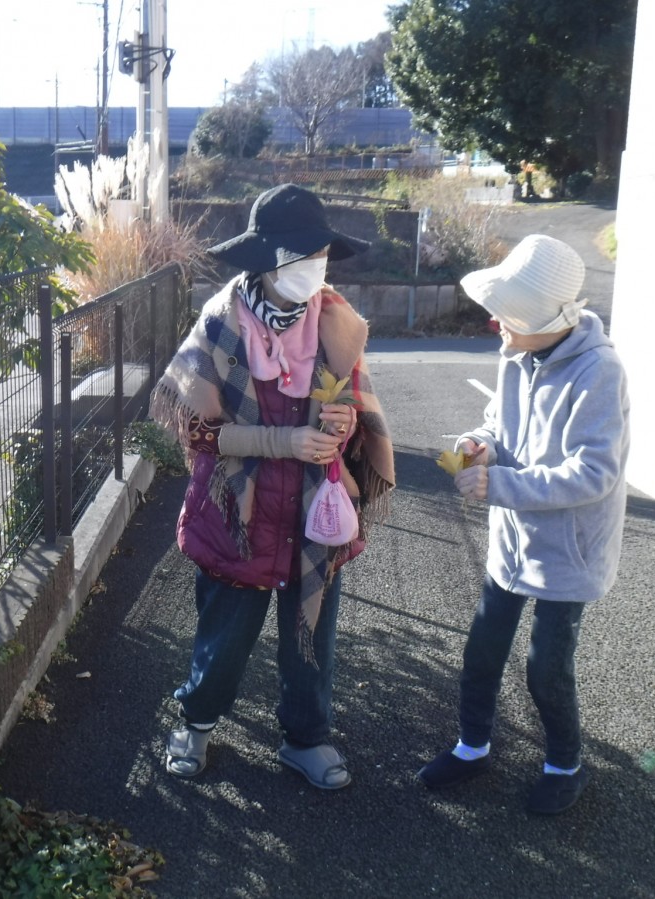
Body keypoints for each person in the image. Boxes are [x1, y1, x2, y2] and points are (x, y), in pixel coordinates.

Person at [150, 184, 395, 791]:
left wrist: (341, 426)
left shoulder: (337, 323)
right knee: (225, 633)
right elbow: (199, 434)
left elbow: (358, 415)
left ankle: (306, 738)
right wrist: (283, 442)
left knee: (312, 635)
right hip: (238, 510)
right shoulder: (220, 325)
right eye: (303, 256)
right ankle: (196, 722)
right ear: (267, 261)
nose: (316, 268)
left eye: (322, 255)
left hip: (314, 511)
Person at [417, 234, 629, 815]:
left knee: (546, 668)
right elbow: (497, 425)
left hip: (570, 550)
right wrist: (478, 444)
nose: (497, 325)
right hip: (513, 540)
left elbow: (594, 473)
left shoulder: (599, 370)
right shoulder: (517, 353)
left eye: (507, 316)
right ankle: (472, 748)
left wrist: (499, 485)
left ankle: (565, 764)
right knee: (482, 652)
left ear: (546, 320)